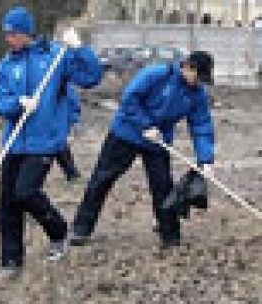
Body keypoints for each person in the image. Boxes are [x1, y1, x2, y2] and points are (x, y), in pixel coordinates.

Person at [0, 7, 102, 278]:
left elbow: (91, 77)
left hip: (45, 141)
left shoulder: (56, 56)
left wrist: (79, 49)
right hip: (15, 142)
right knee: (8, 204)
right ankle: (11, 263)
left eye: (14, 33)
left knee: (26, 193)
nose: (10, 39)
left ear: (27, 33)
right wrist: (18, 104)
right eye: (7, 33)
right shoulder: (7, 65)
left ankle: (59, 231)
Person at [70, 51, 215, 248]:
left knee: (163, 187)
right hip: (126, 133)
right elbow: (129, 100)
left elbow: (201, 126)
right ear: (187, 66)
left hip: (158, 140)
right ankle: (80, 229)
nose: (198, 83)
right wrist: (145, 125)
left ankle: (170, 236)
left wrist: (205, 160)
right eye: (198, 77)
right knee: (102, 179)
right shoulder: (156, 75)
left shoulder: (197, 94)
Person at [54, 83, 82, 183]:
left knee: (60, 145)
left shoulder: (65, 87)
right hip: (46, 120)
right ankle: (72, 173)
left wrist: (75, 120)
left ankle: (72, 173)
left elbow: (74, 104)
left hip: (60, 120)